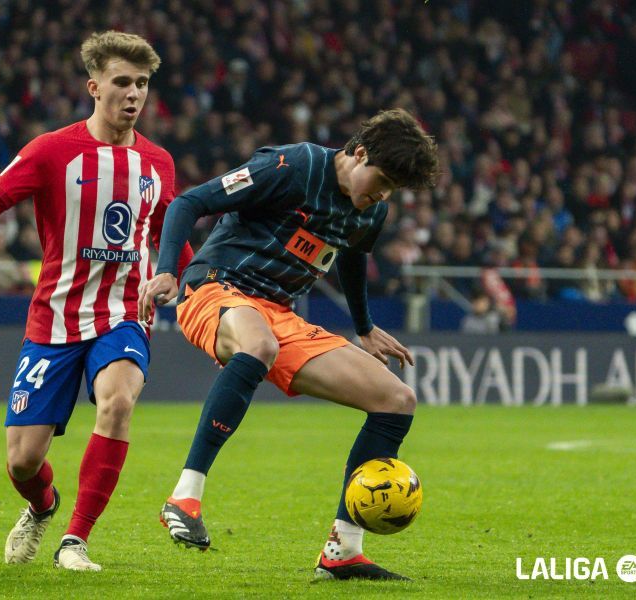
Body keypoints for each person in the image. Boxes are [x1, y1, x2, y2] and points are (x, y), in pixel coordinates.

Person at [0, 31, 192, 572]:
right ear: (94, 87)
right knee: (23, 462)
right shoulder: (52, 150)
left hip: (123, 313)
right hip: (54, 319)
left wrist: (192, 282)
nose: (134, 93)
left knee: (119, 401)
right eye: (122, 82)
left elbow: (170, 233)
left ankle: (76, 541)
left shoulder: (159, 163)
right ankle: (43, 505)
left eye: (142, 83)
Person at [138, 108, 438, 580]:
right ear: (359, 153)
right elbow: (189, 203)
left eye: (393, 190)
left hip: (280, 316)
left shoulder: (371, 210)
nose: (382, 195)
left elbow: (353, 257)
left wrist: (364, 327)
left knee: (396, 399)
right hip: (216, 287)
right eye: (381, 179)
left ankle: (343, 553)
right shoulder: (292, 167)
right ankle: (185, 496)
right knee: (257, 343)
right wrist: (167, 270)